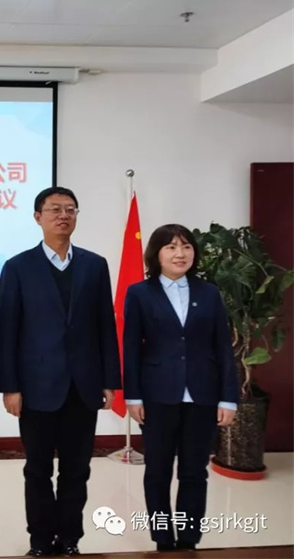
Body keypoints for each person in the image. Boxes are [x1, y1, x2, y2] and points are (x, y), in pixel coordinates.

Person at [0, 186, 121, 557]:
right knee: (37, 470)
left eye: (70, 209)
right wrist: (10, 386)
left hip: (83, 386)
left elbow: (105, 325)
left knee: (76, 470)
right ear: (38, 217)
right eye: (54, 209)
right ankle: (39, 540)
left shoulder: (95, 265)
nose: (63, 215)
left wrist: (109, 381)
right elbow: (7, 330)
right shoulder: (18, 267)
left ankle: (69, 539)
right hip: (36, 387)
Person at [123, 224, 238, 552]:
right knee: (157, 472)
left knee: (194, 472)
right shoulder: (140, 293)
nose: (180, 253)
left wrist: (228, 399)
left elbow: (223, 348)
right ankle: (162, 539)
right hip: (157, 395)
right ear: (156, 254)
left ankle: (188, 539)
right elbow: (131, 348)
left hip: (203, 395)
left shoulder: (209, 293)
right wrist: (133, 395)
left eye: (186, 247)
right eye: (171, 247)